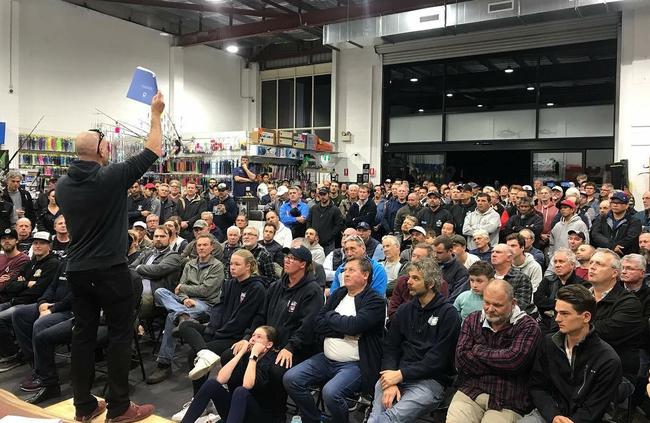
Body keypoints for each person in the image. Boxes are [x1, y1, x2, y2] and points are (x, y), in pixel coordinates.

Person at [56, 92, 164, 421]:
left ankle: (84, 406)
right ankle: (119, 407)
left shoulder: (62, 185)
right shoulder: (110, 176)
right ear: (103, 149)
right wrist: (156, 114)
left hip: (77, 269)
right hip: (109, 270)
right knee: (119, 335)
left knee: (82, 337)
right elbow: (153, 150)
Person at [226, 245, 324, 420]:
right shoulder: (276, 286)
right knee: (230, 355)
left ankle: (274, 415)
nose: (287, 260)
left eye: (293, 258)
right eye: (286, 256)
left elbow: (308, 326)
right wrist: (248, 337)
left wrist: (291, 347)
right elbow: (260, 316)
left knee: (277, 371)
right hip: (267, 343)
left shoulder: (312, 290)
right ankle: (243, 407)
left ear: (303, 264)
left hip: (294, 347)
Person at [284, 257, 385, 423]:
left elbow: (354, 326)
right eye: (345, 270)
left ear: (365, 274)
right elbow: (318, 323)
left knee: (331, 393)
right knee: (291, 379)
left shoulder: (375, 300)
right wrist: (342, 329)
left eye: (351, 270)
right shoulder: (339, 293)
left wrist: (332, 318)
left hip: (355, 363)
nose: (345, 273)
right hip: (326, 358)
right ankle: (315, 418)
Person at [173, 249, 267, 420]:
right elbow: (219, 307)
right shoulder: (229, 283)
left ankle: (201, 399)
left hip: (234, 336)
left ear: (249, 266)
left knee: (191, 354)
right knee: (186, 325)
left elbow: (244, 318)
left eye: (237, 264)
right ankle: (204, 355)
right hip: (219, 330)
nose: (232, 267)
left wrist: (221, 332)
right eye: (231, 263)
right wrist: (212, 328)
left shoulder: (256, 288)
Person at [368, 258, 461, 422]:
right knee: (376, 417)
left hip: (430, 381)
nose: (408, 282)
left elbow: (438, 359)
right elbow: (390, 347)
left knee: (388, 419)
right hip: (396, 374)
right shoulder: (405, 310)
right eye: (409, 277)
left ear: (431, 283)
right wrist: (391, 380)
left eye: (415, 278)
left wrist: (401, 375)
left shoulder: (449, 314)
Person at [522, 285, 622, 423]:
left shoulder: (608, 359)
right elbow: (537, 386)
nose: (557, 319)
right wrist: (554, 415)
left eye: (565, 313)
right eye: (556, 312)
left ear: (586, 316)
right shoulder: (548, 343)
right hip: (549, 414)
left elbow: (597, 406)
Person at [447, 279, 542, 423]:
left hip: (508, 399)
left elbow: (513, 363)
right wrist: (500, 361)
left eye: (497, 305)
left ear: (513, 303)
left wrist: (477, 350)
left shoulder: (528, 326)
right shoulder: (472, 320)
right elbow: (461, 361)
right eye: (486, 302)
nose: (490, 309)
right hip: (470, 392)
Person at [147, 234, 225, 385]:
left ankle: (164, 364)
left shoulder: (217, 266)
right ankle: (181, 314)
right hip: (185, 302)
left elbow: (206, 291)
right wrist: (183, 298)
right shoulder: (189, 264)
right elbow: (179, 289)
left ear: (212, 247)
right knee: (160, 292)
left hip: (206, 304)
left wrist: (184, 289)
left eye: (204, 245)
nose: (201, 248)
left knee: (171, 317)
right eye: (198, 245)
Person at [180, 326, 278, 423]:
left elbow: (247, 385)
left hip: (260, 416)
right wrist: (241, 352)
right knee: (212, 384)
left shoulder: (270, 361)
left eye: (259, 337)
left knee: (240, 391)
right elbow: (221, 379)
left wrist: (254, 356)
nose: (252, 339)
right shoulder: (246, 355)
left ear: (269, 344)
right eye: (253, 335)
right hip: (238, 412)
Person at [11, 260, 73, 403]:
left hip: (70, 310)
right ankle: (37, 365)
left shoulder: (84, 263)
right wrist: (42, 302)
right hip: (51, 305)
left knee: (41, 324)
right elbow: (52, 286)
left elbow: (77, 295)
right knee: (19, 314)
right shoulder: (65, 262)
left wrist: (53, 309)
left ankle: (47, 379)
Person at [0, 231, 59, 371]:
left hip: (31, 303)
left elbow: (38, 290)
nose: (37, 246)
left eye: (42, 243)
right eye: (35, 243)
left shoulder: (53, 264)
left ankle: (13, 354)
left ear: (49, 246)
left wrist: (21, 284)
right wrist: (26, 283)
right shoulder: (31, 263)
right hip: (16, 300)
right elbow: (10, 286)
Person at [589, 248, 642, 379]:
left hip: (614, 372)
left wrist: (575, 325)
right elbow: (558, 323)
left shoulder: (629, 302)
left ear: (614, 273)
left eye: (599, 264)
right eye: (591, 263)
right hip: (578, 367)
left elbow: (610, 331)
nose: (592, 267)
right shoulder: (579, 294)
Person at [130, 225, 184, 319]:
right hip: (138, 288)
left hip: (155, 295)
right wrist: (145, 271)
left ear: (170, 239)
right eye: (156, 236)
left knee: (131, 306)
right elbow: (130, 268)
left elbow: (157, 271)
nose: (158, 239)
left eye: (162, 236)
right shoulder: (147, 252)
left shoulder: (173, 256)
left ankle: (137, 325)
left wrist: (139, 268)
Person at [534, 249, 586, 334]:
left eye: (561, 262)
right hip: (544, 324)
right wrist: (560, 304)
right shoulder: (548, 280)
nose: (557, 265)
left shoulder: (581, 284)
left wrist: (550, 308)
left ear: (572, 265)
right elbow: (538, 300)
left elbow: (574, 306)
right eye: (555, 262)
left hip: (568, 327)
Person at [491, 243, 536, 316]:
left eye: (498, 252)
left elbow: (521, 305)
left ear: (509, 258)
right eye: (492, 252)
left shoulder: (521, 278)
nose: (493, 255)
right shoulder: (488, 276)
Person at [591, 191, 642, 256]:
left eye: (619, 203)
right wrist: (612, 246)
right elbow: (595, 234)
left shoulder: (634, 221)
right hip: (603, 254)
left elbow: (630, 238)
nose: (615, 205)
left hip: (624, 255)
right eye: (613, 202)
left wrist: (616, 247)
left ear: (626, 206)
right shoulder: (601, 218)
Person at [306, 187, 345, 256]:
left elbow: (339, 225)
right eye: (320, 195)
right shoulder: (314, 208)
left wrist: (330, 236)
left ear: (329, 194)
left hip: (329, 244)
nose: (322, 196)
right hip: (314, 242)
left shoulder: (335, 210)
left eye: (324, 194)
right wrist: (311, 234)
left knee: (329, 263)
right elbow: (309, 221)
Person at [433, 235, 469, 303]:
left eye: (439, 253)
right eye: (434, 252)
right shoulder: (430, 265)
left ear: (450, 251)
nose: (435, 255)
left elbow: (456, 298)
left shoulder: (461, 272)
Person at [0, 228, 30, 303]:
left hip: (7, 299)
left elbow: (7, 285)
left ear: (17, 240)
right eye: (3, 239)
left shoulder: (23, 259)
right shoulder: (1, 257)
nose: (7, 241)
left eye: (10, 238)